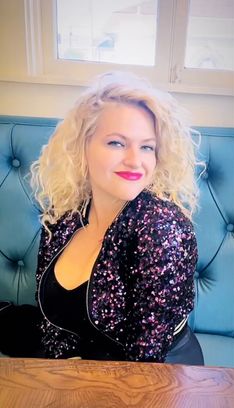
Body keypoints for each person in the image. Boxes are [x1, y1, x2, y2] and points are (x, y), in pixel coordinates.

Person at [31, 71, 204, 364]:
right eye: (116, 143)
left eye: (147, 146)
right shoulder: (63, 219)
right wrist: (59, 372)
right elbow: (53, 325)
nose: (135, 161)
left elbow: (144, 363)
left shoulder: (161, 228)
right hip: (86, 367)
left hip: (157, 376)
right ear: (82, 148)